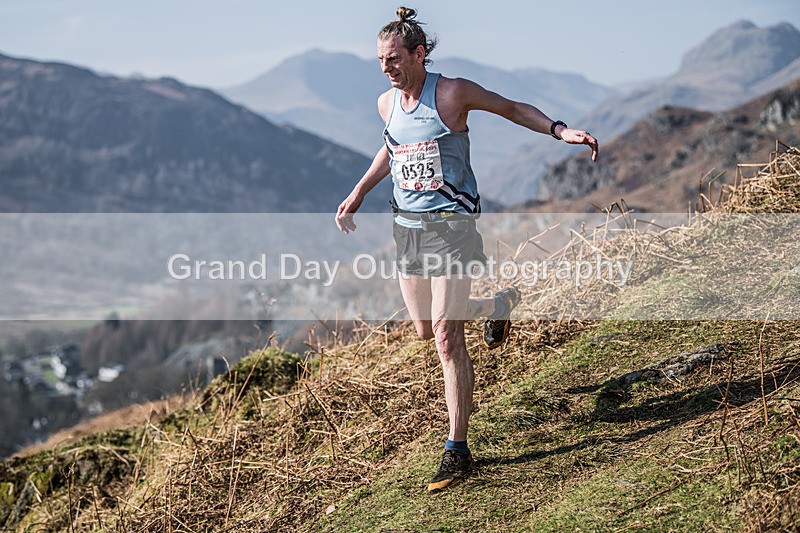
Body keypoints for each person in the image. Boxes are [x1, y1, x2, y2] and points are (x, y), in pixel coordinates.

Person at [335, 6, 598, 493]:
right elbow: (392, 149)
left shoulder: (451, 93)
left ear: (419, 53)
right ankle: (496, 306)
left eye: (393, 58)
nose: (386, 67)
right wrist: (359, 192)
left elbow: (511, 107)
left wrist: (560, 130)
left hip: (451, 227)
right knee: (422, 328)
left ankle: (457, 450)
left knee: (444, 335)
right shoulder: (386, 104)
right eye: (379, 60)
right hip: (406, 227)